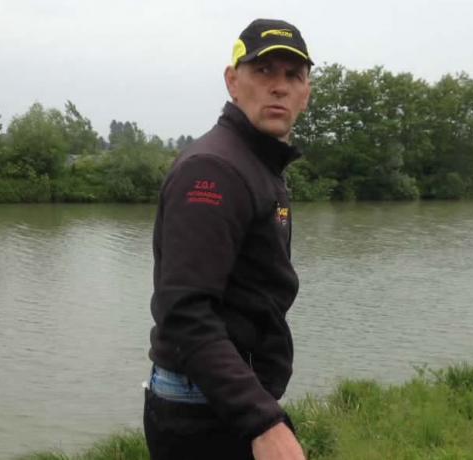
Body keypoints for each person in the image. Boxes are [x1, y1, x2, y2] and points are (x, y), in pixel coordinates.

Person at [143, 18, 313, 460]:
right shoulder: (213, 172)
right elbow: (185, 313)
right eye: (264, 71)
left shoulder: (257, 162)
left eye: (293, 75)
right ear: (232, 81)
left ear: (306, 93)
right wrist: (263, 422)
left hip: (227, 396)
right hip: (202, 409)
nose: (279, 87)